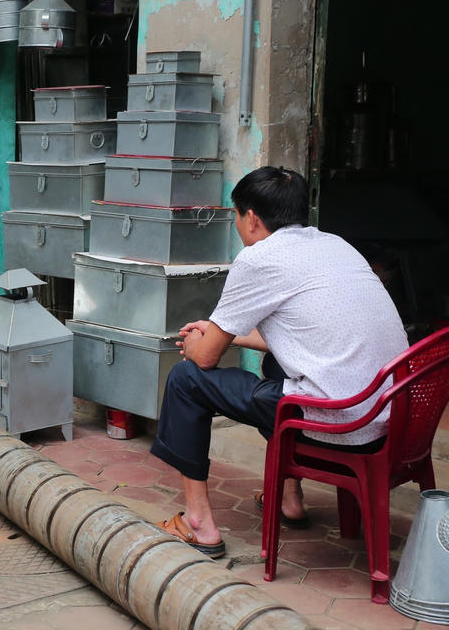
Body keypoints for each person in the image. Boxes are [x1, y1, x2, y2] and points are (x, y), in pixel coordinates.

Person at [151, 166, 407, 558]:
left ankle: (199, 523)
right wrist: (222, 330)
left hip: (338, 420)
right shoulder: (335, 244)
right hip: (386, 413)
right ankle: (288, 497)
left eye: (236, 215)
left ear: (251, 218)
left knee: (186, 380)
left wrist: (200, 341)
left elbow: (204, 358)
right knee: (275, 365)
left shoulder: (259, 259)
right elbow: (298, 339)